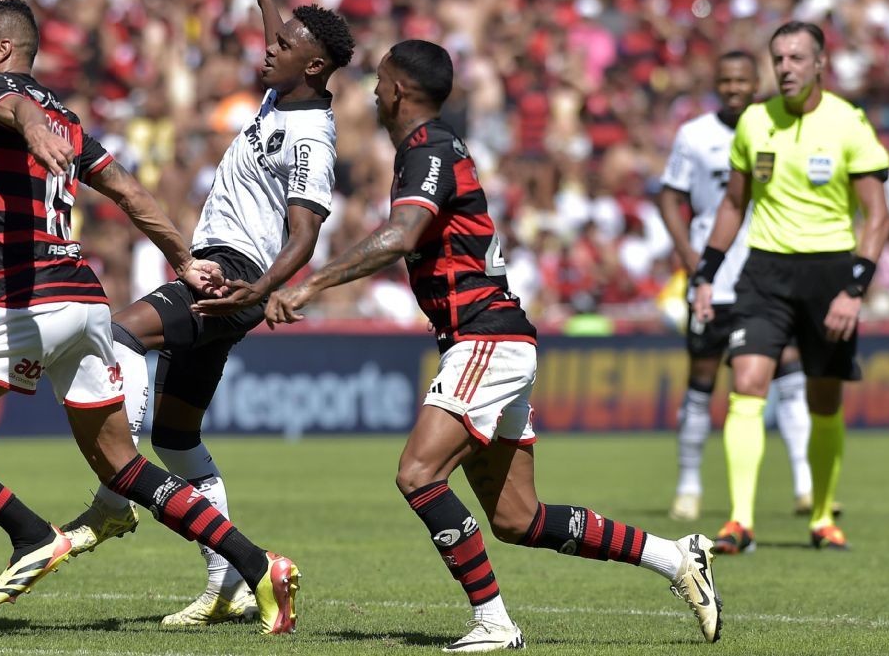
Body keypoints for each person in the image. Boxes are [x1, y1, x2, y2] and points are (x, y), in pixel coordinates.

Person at [265, 40, 721, 651]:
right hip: (491, 339)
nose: (373, 93)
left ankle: (494, 622)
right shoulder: (425, 151)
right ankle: (676, 558)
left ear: (398, 89)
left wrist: (313, 283)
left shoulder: (429, 149)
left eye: (378, 82)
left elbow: (402, 235)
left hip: (486, 336)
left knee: (418, 474)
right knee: (517, 518)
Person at [0, 0, 300, 634]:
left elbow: (8, 104)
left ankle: (29, 533)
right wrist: (182, 260)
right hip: (86, 302)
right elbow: (128, 191)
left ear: (2, 50)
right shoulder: (65, 116)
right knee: (122, 468)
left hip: (32, 304)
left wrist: (30, 129)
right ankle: (260, 564)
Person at [60, 0, 354, 627]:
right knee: (178, 433)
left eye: (285, 44)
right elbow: (285, 39)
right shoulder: (285, 92)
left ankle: (116, 489)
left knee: (118, 335)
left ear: (314, 64)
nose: (268, 48)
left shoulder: (311, 136)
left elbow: (306, 235)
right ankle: (228, 587)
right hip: (230, 273)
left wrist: (263, 287)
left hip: (232, 271)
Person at [692, 21, 889, 554]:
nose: (785, 68)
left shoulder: (848, 123)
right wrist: (706, 274)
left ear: (821, 62)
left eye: (797, 58)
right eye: (778, 58)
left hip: (830, 275)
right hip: (765, 272)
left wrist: (855, 289)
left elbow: (877, 216)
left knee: (824, 398)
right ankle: (739, 521)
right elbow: (734, 204)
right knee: (748, 382)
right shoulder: (756, 121)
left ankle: (823, 517)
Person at [657, 51, 817, 522]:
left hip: (769, 278)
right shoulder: (695, 135)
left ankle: (805, 482)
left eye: (741, 81)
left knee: (788, 372)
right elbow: (669, 195)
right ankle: (689, 486)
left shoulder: (778, 126)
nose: (732, 88)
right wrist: (689, 255)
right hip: (714, 281)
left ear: (755, 84)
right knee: (702, 380)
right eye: (724, 80)